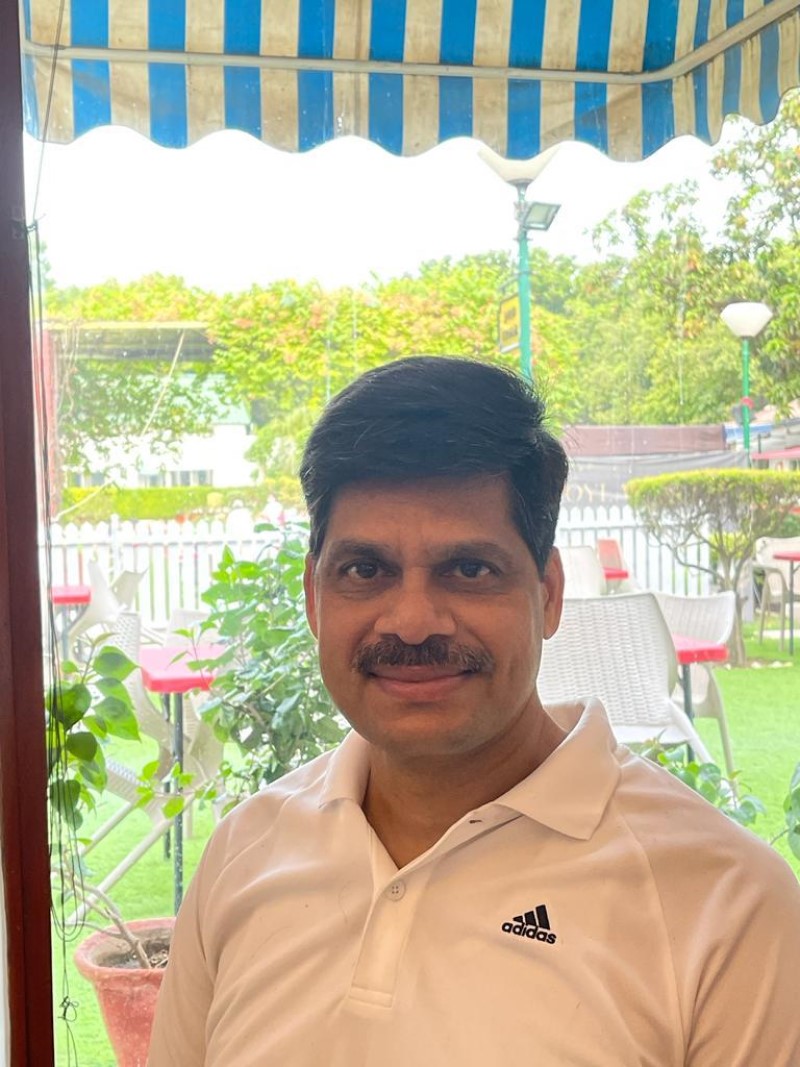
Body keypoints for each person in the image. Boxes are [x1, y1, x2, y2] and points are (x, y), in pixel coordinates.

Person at [149, 356, 800, 1066]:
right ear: (314, 597)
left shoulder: (726, 904)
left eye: (469, 570)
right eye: (365, 570)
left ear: (548, 594)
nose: (411, 621)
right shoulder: (243, 857)